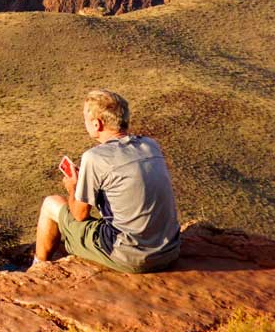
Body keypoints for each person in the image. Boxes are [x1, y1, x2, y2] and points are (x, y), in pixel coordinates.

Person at [32, 88, 181, 273]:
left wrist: (73, 187)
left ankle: (37, 269)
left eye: (85, 118)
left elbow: (79, 215)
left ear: (97, 124)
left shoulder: (95, 157)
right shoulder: (150, 145)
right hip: (169, 251)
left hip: (130, 257)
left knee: (50, 204)